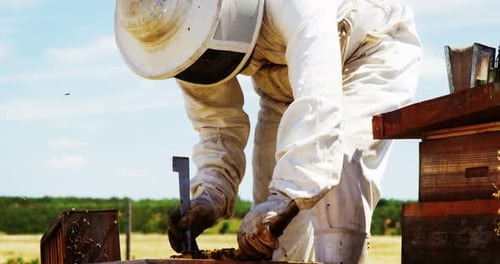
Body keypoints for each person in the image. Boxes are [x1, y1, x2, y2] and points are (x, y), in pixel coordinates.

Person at [114, 0, 421, 263]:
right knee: (268, 232)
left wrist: (287, 196)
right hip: (279, 83)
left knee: (340, 181)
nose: (204, 61)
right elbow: (217, 125)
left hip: (368, 52)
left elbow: (318, 104)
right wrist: (209, 196)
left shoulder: (297, 6)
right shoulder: (183, 37)